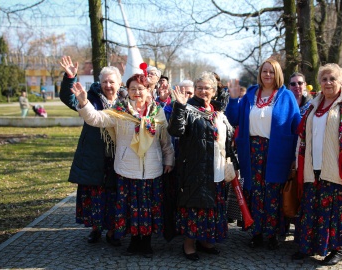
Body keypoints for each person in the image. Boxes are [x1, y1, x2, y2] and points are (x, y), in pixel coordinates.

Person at [71, 73, 174, 257]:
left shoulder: (157, 113)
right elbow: (96, 119)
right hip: (127, 170)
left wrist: (169, 160)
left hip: (152, 170)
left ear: (148, 90)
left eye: (140, 89)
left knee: (149, 209)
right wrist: (84, 104)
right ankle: (134, 243)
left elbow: (165, 141)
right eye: (132, 89)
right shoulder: (120, 112)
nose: (136, 92)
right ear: (127, 91)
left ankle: (147, 244)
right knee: (129, 209)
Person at [292, 63, 342, 266]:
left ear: (339, 80)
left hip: (336, 169)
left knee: (336, 211)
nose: (328, 82)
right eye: (324, 79)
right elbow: (302, 134)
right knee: (311, 207)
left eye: (332, 79)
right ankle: (307, 245)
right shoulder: (314, 104)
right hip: (312, 167)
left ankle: (338, 248)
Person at [226, 58, 301, 250]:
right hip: (252, 150)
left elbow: (297, 127)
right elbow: (233, 119)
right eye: (264, 71)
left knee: (274, 191)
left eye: (271, 71)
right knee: (256, 192)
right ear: (260, 73)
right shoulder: (251, 94)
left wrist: (294, 157)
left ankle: (273, 233)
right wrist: (233, 99)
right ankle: (257, 232)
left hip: (277, 150)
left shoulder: (286, 96)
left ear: (278, 74)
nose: (267, 75)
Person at [168, 71, 238, 261]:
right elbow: (176, 130)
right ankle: (189, 244)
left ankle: (206, 241)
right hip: (195, 169)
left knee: (211, 206)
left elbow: (227, 139)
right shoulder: (188, 110)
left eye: (207, 88)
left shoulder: (218, 113)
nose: (202, 91)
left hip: (216, 168)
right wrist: (180, 106)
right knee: (195, 206)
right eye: (199, 88)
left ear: (213, 91)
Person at [59, 56, 122, 247]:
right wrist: (70, 77)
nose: (108, 85)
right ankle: (96, 229)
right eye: (104, 81)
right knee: (95, 193)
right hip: (94, 156)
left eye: (112, 81)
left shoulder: (125, 100)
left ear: (119, 83)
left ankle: (112, 231)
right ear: (99, 83)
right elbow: (68, 98)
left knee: (115, 194)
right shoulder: (91, 98)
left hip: (119, 156)